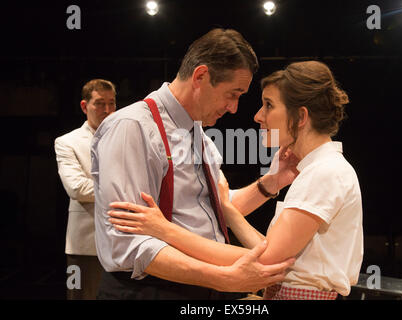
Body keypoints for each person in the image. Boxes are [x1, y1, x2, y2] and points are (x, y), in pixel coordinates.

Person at [108, 61, 364, 300]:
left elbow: (265, 261)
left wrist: (164, 229)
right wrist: (229, 208)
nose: (257, 116)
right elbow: (268, 251)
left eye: (269, 105)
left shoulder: (324, 172)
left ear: (301, 117)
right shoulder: (317, 170)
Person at [91, 28, 296, 300]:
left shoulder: (197, 132)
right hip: (150, 288)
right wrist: (223, 279)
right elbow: (129, 243)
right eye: (232, 94)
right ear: (200, 76)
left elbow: (218, 207)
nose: (234, 108)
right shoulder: (132, 127)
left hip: (201, 284)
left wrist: (273, 182)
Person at [55, 79, 116, 299]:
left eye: (111, 103)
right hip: (84, 246)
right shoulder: (67, 142)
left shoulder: (126, 139)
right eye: (100, 103)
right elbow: (77, 188)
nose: (107, 110)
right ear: (84, 106)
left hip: (121, 242)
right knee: (79, 296)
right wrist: (122, 190)